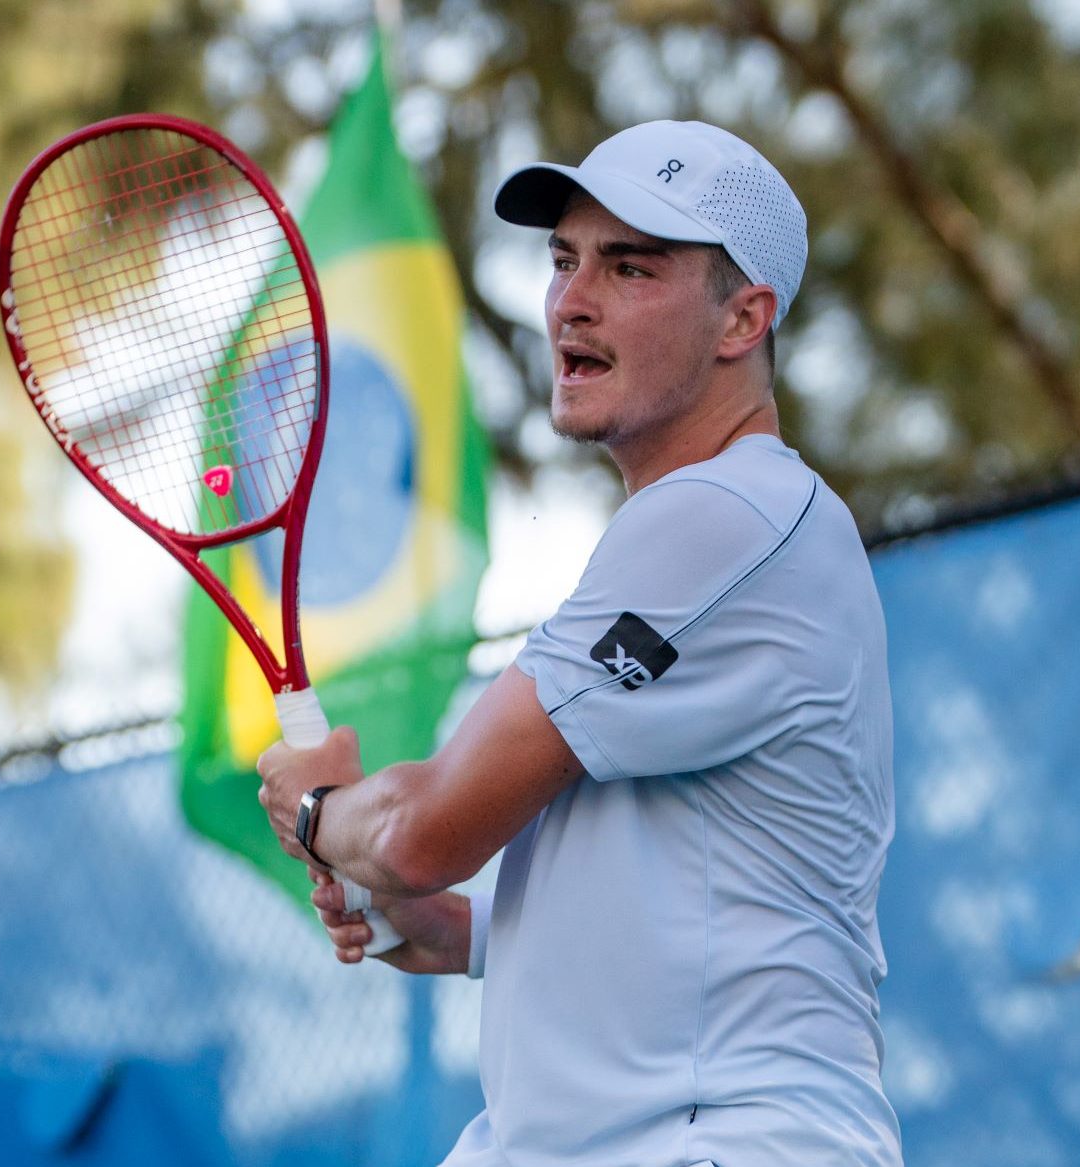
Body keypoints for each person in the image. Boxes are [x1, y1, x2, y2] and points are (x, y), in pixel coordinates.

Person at [257, 119, 902, 1167]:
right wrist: (461, 933)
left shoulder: (730, 514)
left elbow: (424, 829)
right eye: (563, 259)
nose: (571, 301)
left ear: (744, 318)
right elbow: (688, 904)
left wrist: (318, 811)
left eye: (631, 265)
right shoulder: (714, 527)